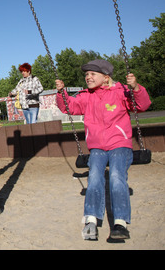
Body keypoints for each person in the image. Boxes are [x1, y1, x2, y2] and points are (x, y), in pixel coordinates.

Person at [55, 59, 151, 241]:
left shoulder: (121, 92)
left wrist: (136, 87)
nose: (88, 77)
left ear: (106, 77)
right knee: (94, 177)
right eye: (86, 75)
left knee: (116, 176)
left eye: (93, 74)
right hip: (97, 146)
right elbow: (70, 107)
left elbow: (142, 105)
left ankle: (120, 223)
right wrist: (61, 93)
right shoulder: (86, 96)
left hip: (119, 144)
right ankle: (91, 219)